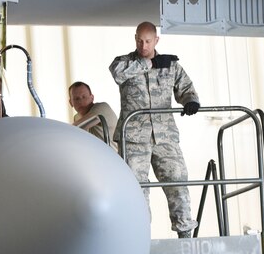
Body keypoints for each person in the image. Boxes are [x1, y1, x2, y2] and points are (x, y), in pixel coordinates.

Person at [109, 21, 200, 237]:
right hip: (133, 138)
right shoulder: (123, 62)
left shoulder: (171, 66)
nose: (143, 45)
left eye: (148, 41)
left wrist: (190, 101)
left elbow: (185, 87)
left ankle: (185, 234)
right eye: (140, 41)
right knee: (136, 189)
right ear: (135, 39)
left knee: (177, 180)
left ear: (156, 40)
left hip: (165, 136)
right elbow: (117, 74)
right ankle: (140, 237)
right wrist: (148, 64)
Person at [68, 81, 117, 146]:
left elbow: (74, 129)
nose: (80, 101)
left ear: (92, 98)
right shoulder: (76, 117)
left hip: (112, 155)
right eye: (76, 99)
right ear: (71, 102)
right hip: (92, 155)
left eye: (84, 97)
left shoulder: (102, 107)